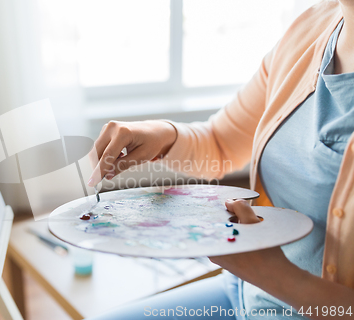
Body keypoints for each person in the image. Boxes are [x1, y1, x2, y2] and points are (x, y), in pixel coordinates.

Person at [86, 1, 354, 319]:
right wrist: (163, 134)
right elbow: (220, 143)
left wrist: (277, 277)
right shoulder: (313, 28)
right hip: (244, 292)